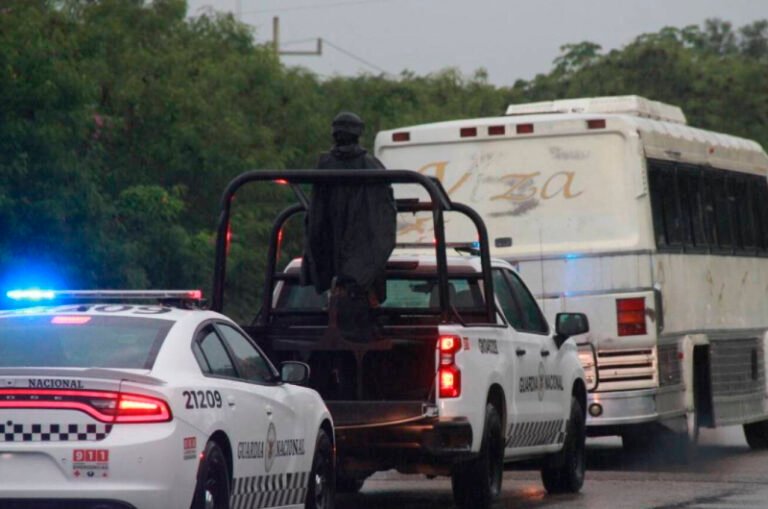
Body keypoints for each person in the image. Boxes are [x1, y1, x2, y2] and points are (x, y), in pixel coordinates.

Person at [302, 111, 396, 340]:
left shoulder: (325, 165)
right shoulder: (370, 166)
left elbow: (315, 222)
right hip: (361, 266)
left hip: (349, 268)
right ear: (358, 134)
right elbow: (383, 221)